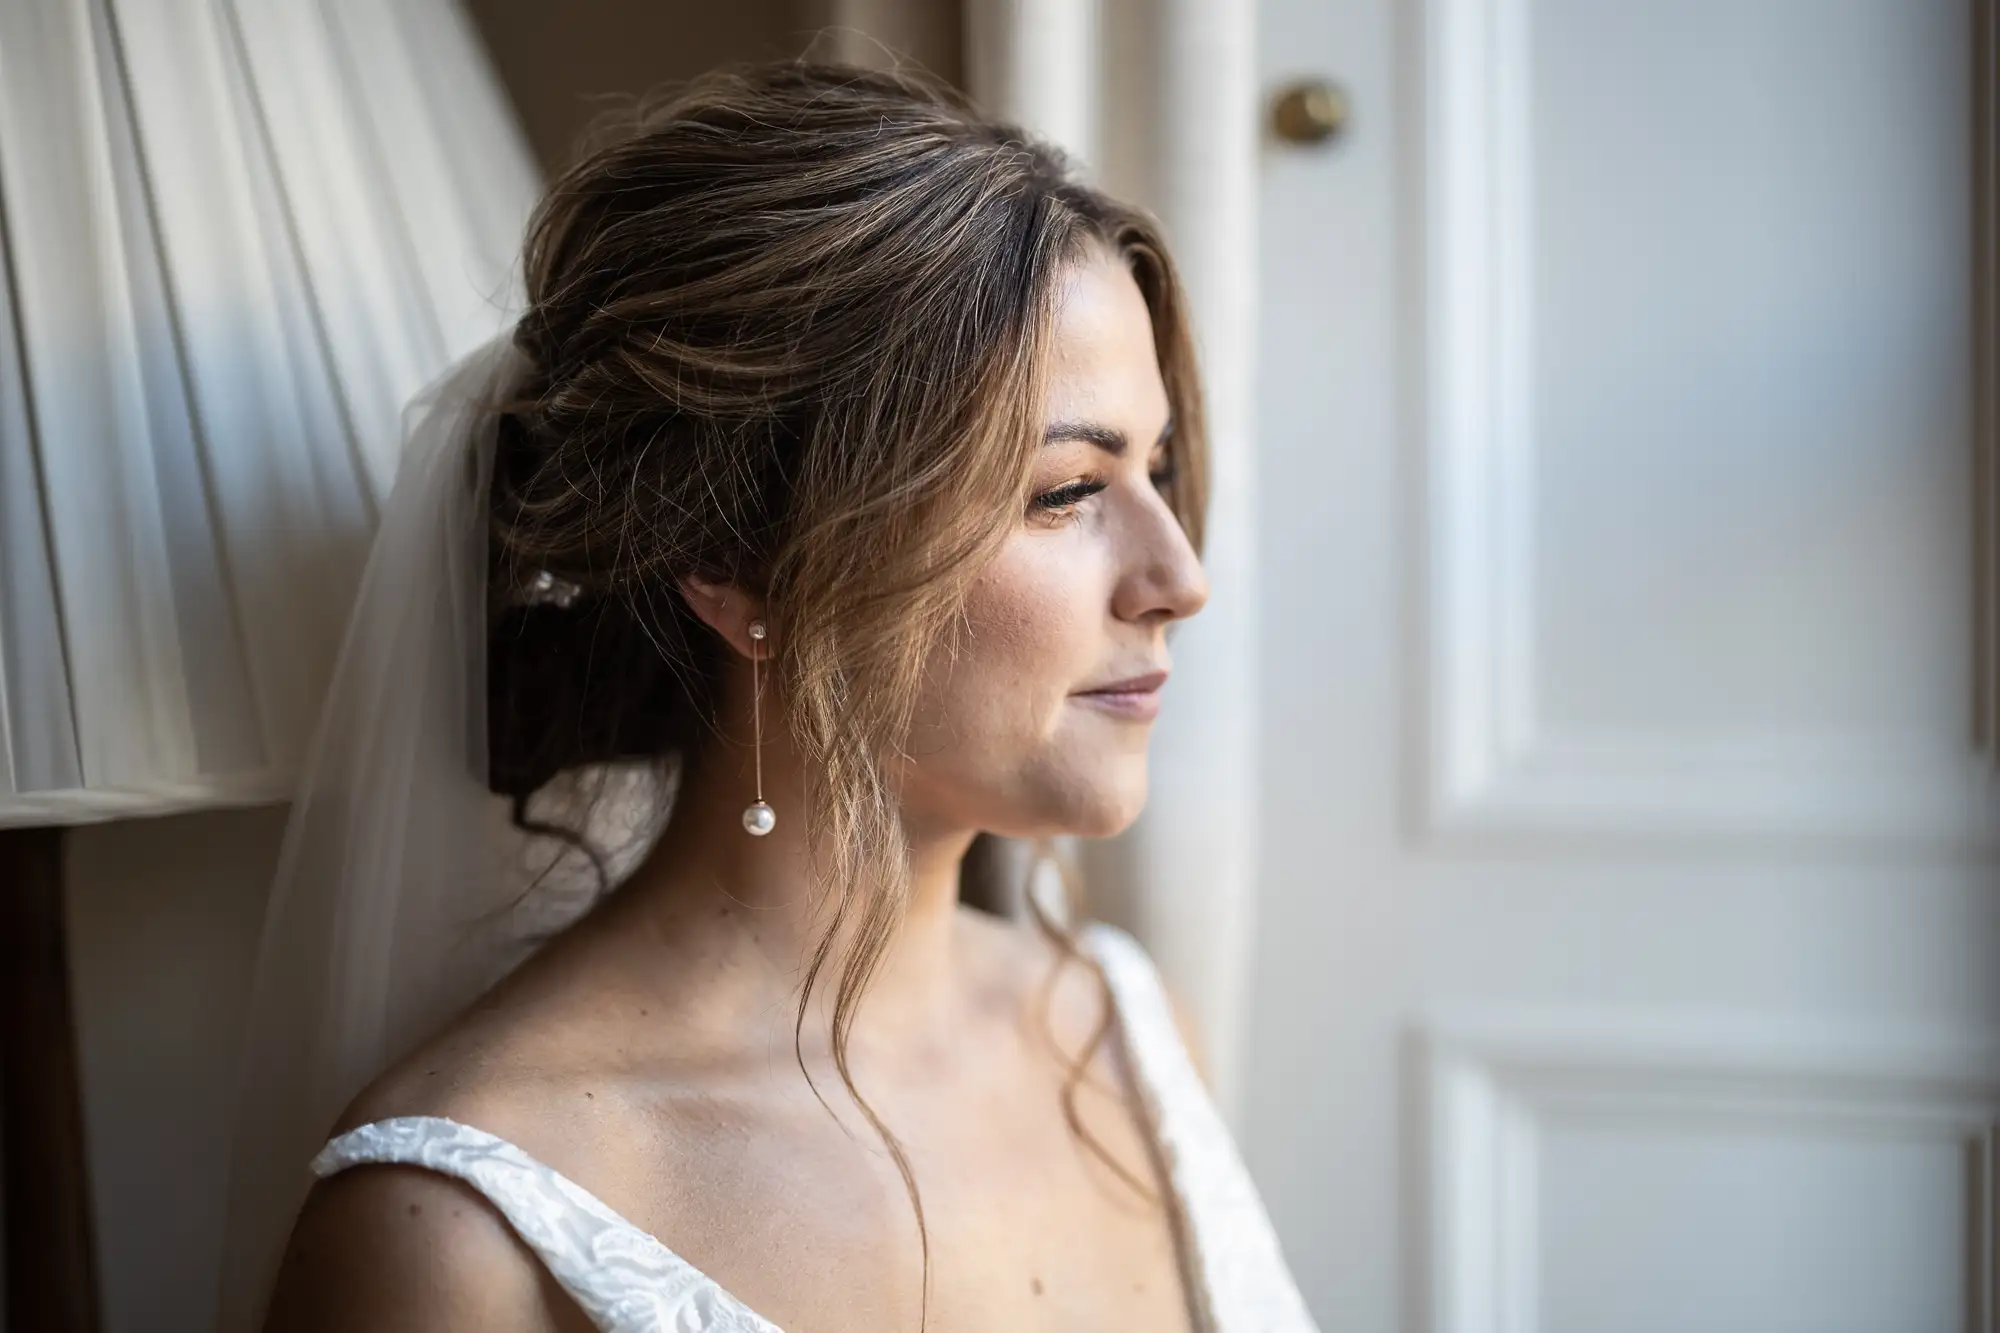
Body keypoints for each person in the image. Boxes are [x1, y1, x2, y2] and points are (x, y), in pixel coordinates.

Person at [225, 60, 1316, 1333]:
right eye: (1064, 491)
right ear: (746, 571)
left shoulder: (1126, 1032)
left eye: (1160, 467)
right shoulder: (458, 1233)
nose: (1177, 577)